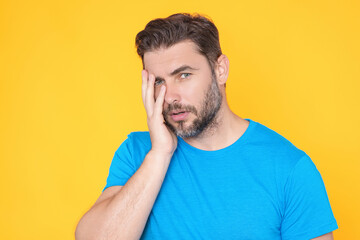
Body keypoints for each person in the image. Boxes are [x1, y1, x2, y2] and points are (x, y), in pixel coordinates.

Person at [75, 13, 338, 240]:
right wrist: (159, 155)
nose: (170, 97)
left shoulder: (290, 168)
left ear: (220, 70)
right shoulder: (138, 153)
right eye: (158, 82)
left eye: (184, 75)